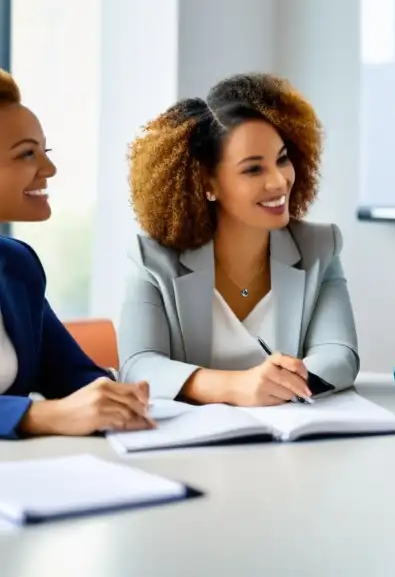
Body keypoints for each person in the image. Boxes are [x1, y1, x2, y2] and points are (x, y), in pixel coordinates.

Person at [118, 73, 359, 405]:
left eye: (282, 159)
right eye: (253, 170)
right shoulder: (153, 258)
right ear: (207, 183)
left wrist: (283, 383)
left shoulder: (320, 246)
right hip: (190, 449)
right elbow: (138, 365)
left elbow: (340, 353)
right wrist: (237, 387)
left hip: (292, 446)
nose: (279, 182)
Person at [0, 71, 153, 439]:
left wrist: (116, 395)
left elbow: (69, 374)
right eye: (27, 153)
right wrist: (37, 416)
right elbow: (52, 410)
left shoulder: (17, 265)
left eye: (44, 152)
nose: (49, 169)